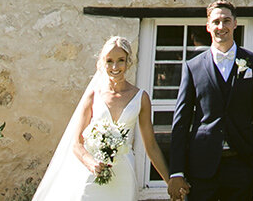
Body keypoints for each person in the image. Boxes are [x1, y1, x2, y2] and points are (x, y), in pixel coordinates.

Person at [32, 36, 169, 201]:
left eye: (121, 60)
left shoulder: (141, 98)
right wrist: (91, 163)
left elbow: (151, 146)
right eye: (110, 61)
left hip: (123, 175)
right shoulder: (93, 95)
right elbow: (76, 143)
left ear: (128, 62)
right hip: (93, 174)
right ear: (102, 63)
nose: (115, 66)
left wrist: (171, 181)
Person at [168, 1, 253, 201]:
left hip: (241, 164)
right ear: (208, 26)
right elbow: (181, 122)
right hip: (201, 166)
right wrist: (177, 172)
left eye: (226, 21)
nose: (221, 26)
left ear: (235, 24)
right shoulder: (193, 66)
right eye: (216, 22)